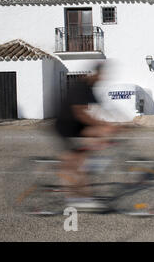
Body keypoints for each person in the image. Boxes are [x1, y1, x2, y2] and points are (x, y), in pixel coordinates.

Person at [55, 63, 118, 210]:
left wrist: (118, 123)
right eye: (103, 75)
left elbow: (104, 108)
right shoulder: (81, 87)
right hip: (66, 126)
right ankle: (77, 197)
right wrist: (102, 125)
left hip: (76, 125)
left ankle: (81, 187)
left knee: (91, 150)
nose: (104, 79)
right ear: (97, 74)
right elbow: (80, 113)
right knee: (78, 163)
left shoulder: (90, 88)